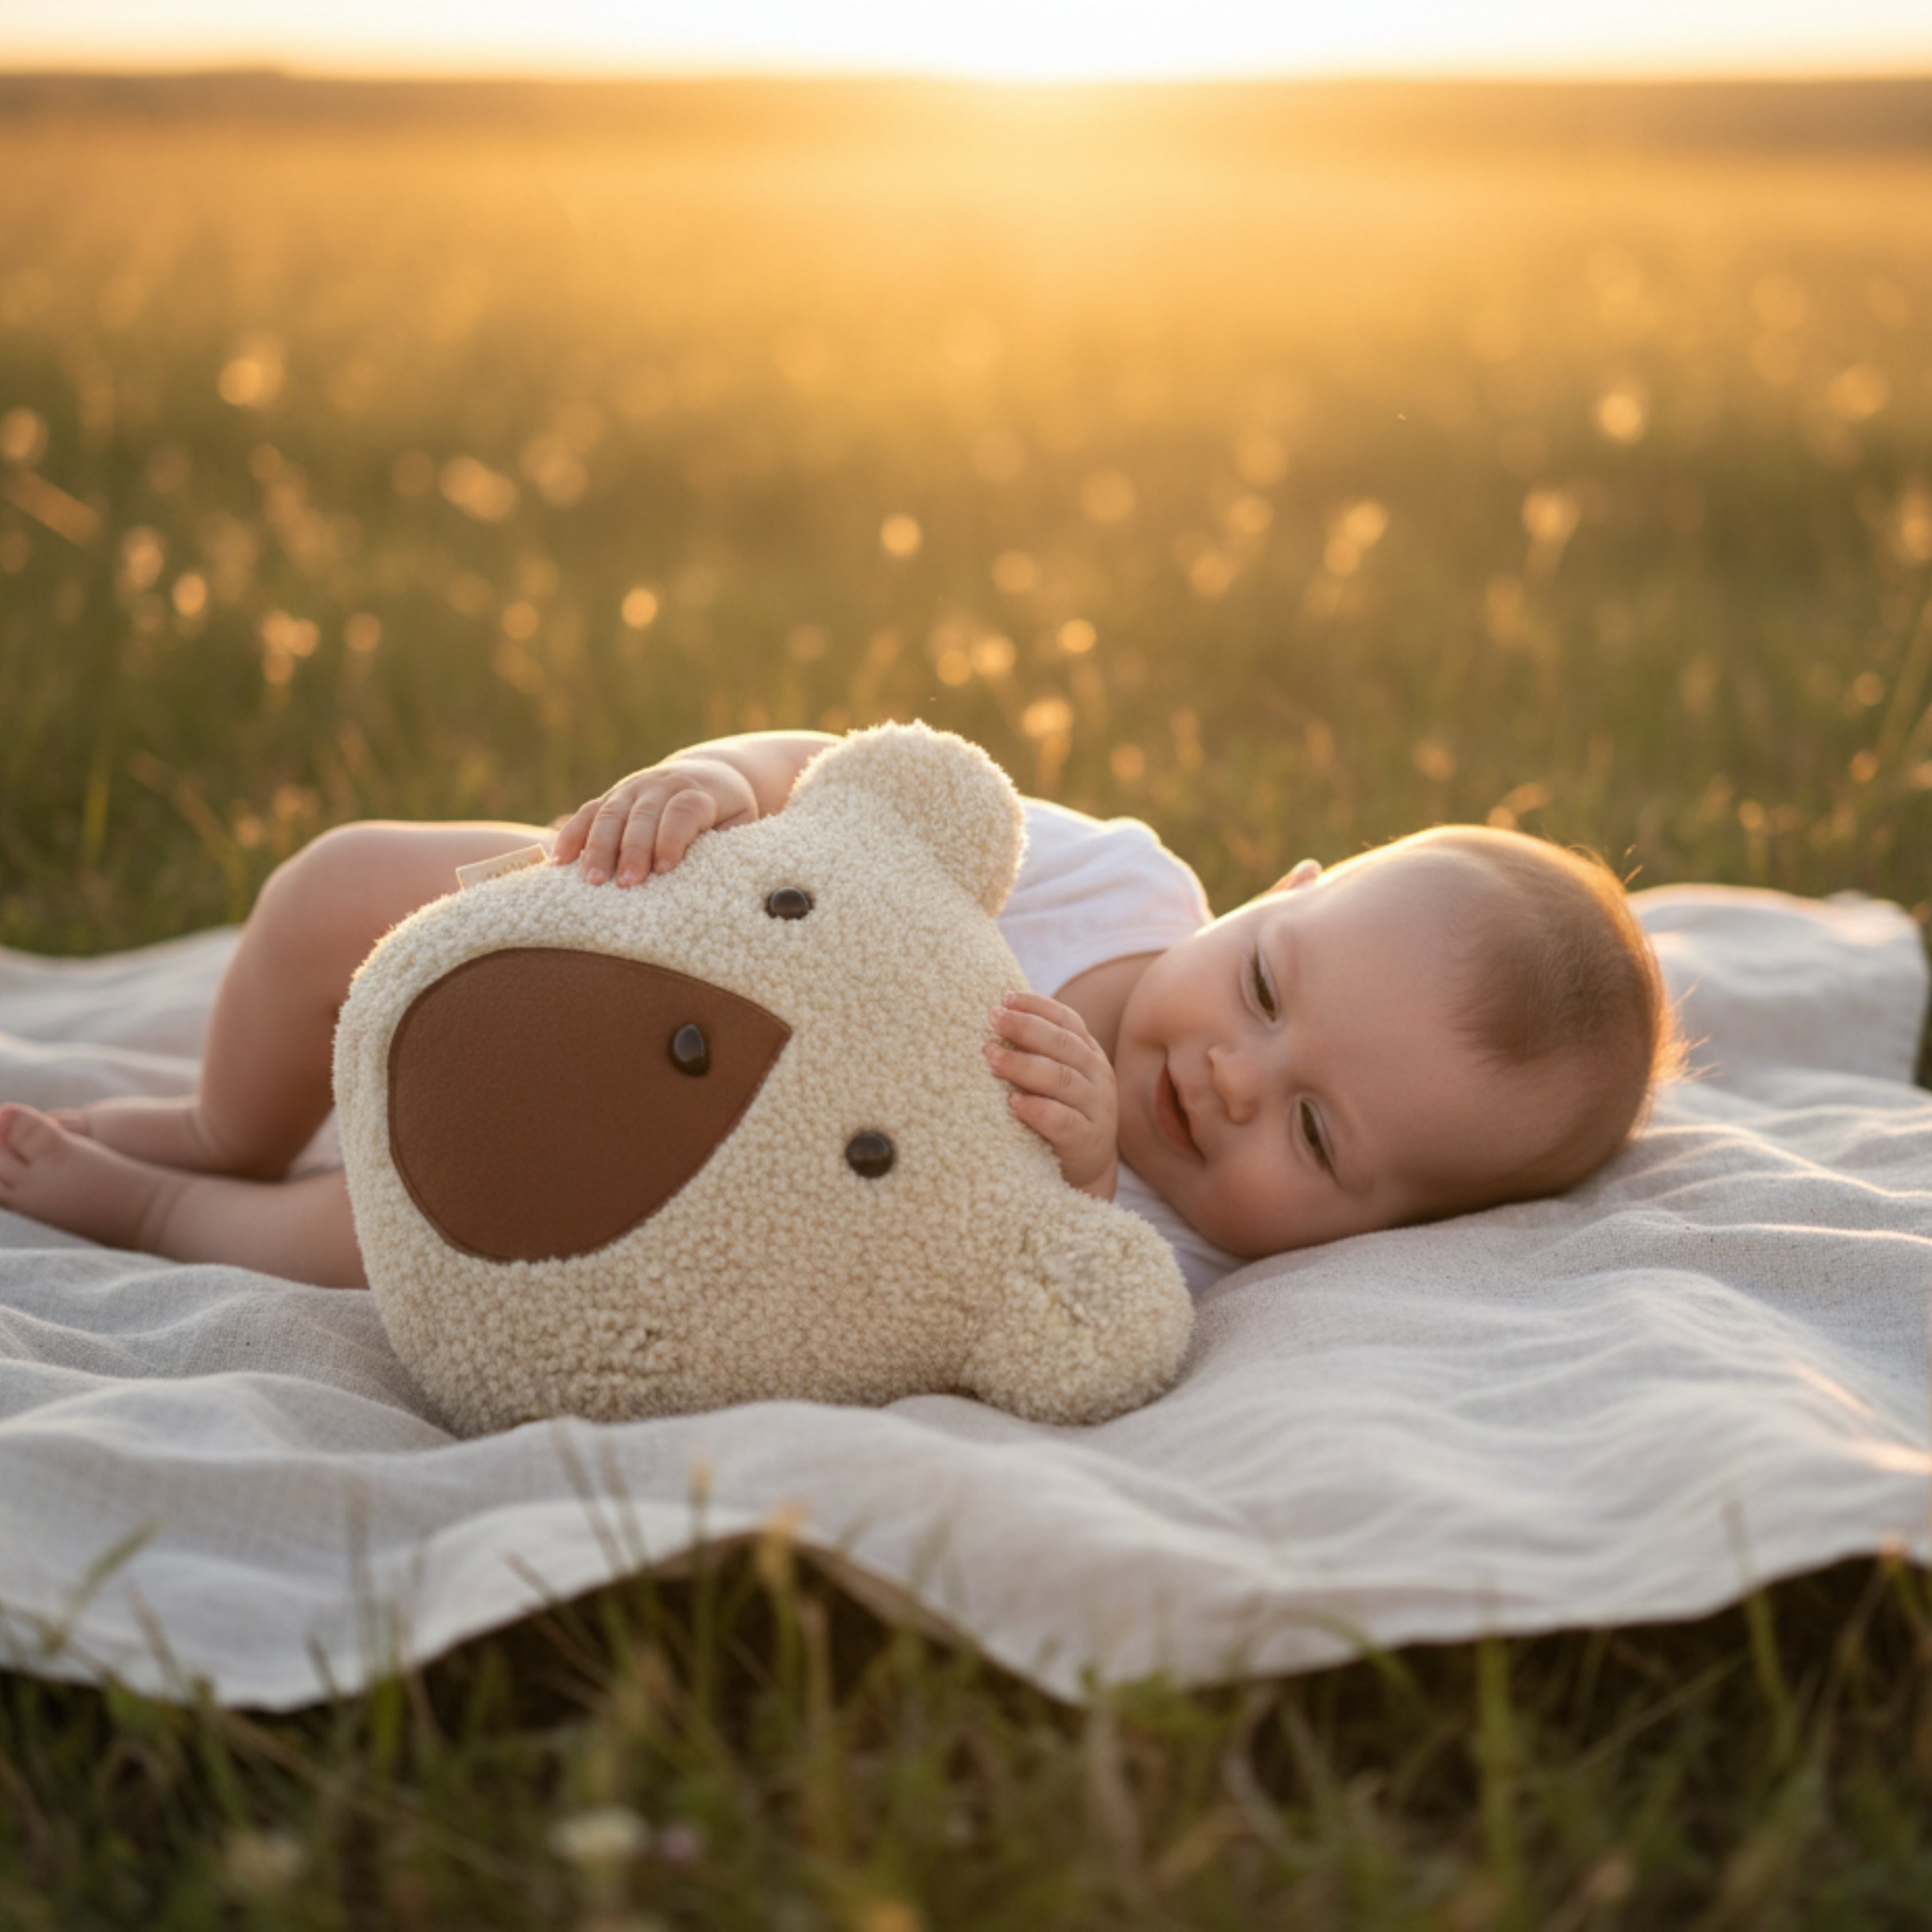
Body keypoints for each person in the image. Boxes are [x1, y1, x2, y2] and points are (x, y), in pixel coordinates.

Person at [0, 728, 1676, 1294]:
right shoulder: (1111, 885)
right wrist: (717, 777)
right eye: (1265, 990)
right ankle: (230, 1122)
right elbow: (854, 773)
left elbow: (1037, 1310)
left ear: (1378, 1234)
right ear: (1278, 892)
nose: (1233, 1080)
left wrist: (1083, 1175)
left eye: (1317, 1132)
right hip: (623, 927)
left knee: (428, 1224)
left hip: (660, 1163)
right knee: (338, 889)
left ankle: (166, 1204)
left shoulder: (1175, 1245)